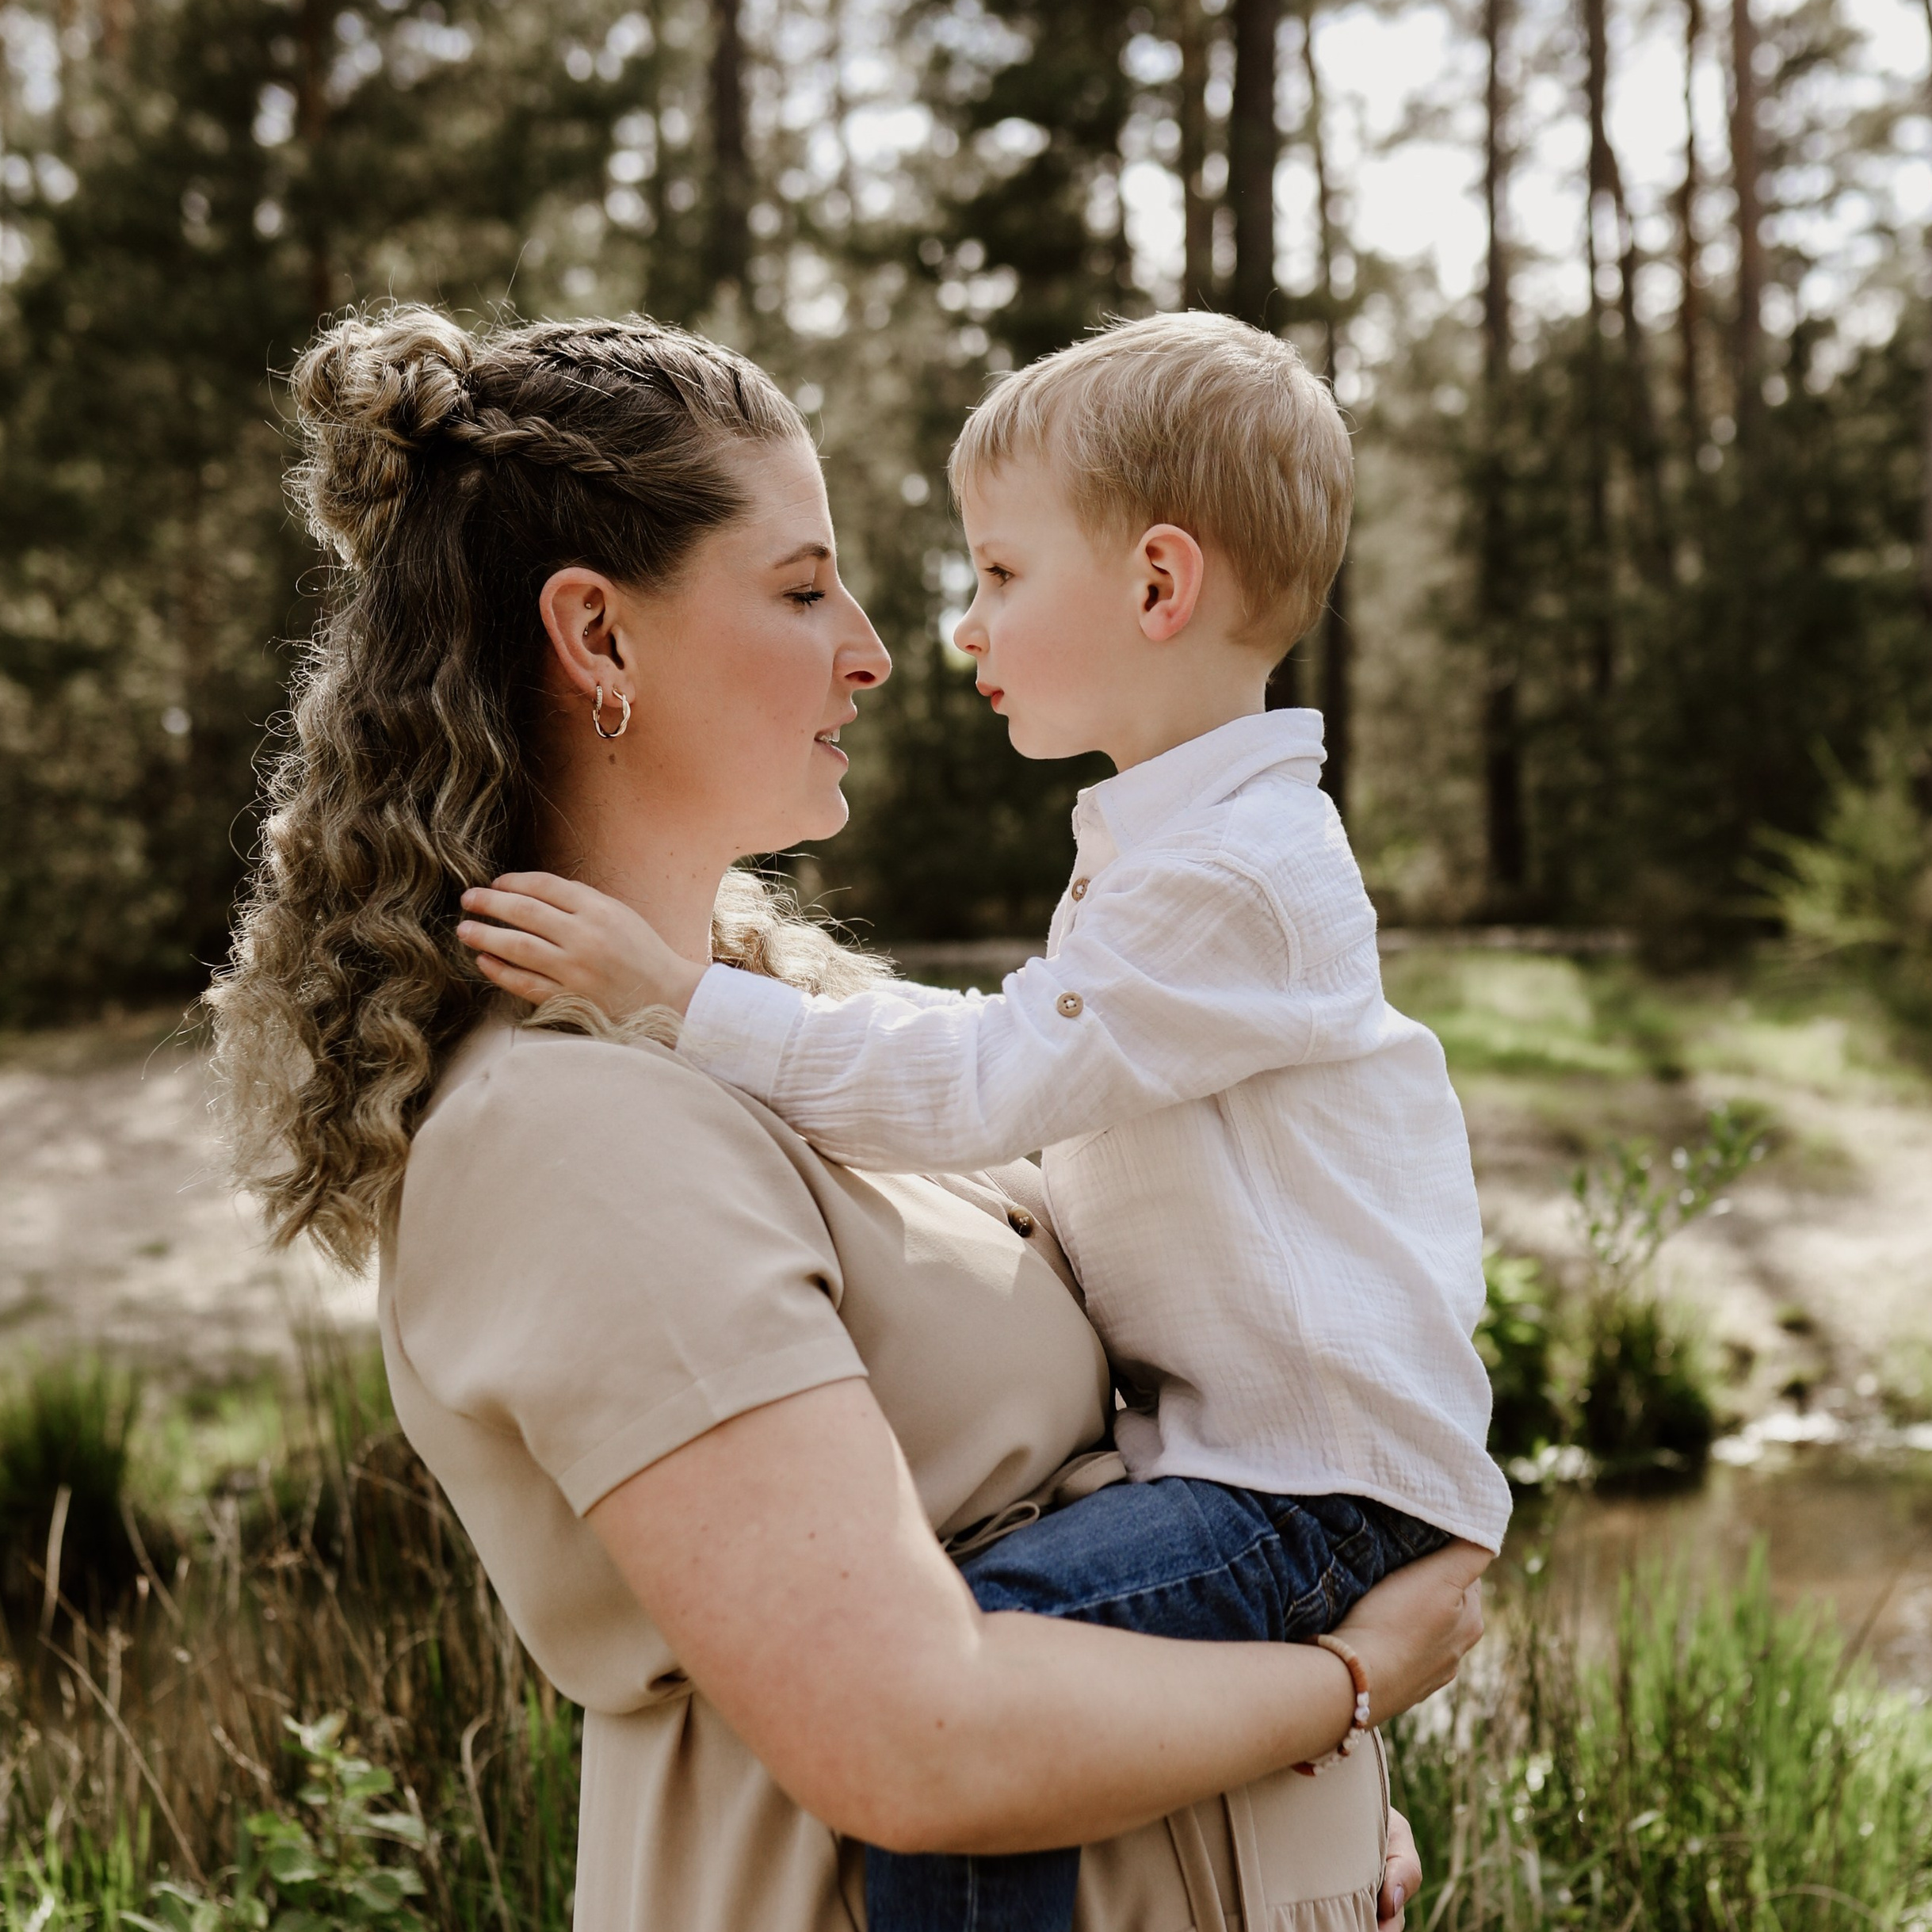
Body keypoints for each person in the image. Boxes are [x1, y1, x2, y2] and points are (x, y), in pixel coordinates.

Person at [211, 304, 1490, 1932]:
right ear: (597, 639)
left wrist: (1293, 1807)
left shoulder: (788, 1035)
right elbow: (918, 1738)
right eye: (805, 588)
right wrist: (1351, 1685)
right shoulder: (572, 1129)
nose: (881, 648)